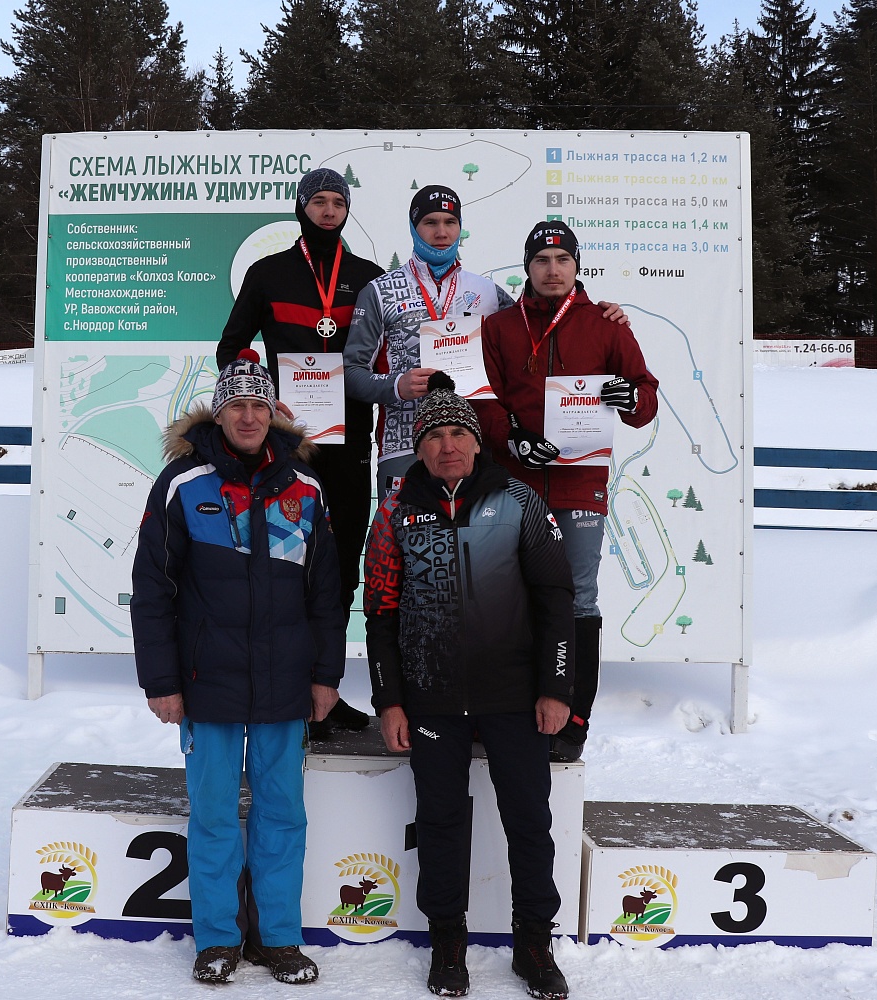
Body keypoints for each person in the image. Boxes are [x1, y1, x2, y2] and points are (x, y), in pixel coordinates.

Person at [130, 349, 346, 985]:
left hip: (286, 682)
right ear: (218, 414)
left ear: (272, 413)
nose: (248, 417)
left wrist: (326, 676)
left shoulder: (305, 488)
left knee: (282, 814)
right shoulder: (182, 484)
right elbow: (152, 590)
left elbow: (327, 595)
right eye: (236, 406)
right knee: (215, 814)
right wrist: (162, 682)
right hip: (207, 683)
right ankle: (218, 939)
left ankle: (278, 938)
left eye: (258, 405)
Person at [364, 373, 575, 1000]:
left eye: (459, 432)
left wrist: (556, 686)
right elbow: (380, 612)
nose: (448, 445)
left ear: (478, 442)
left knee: (529, 821)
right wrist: (389, 699)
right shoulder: (394, 510)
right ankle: (447, 942)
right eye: (434, 435)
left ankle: (533, 942)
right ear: (419, 447)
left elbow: (556, 599)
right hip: (430, 698)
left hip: (515, 695)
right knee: (440, 822)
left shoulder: (519, 501)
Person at [476, 221, 660, 763]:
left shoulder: (605, 324)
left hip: (581, 487)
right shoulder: (500, 326)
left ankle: (575, 719)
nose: (552, 270)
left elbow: (645, 398)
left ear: (577, 266)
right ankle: (509, 708)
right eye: (542, 260)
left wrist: (630, 397)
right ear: (527, 268)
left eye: (562, 259)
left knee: (578, 596)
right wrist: (512, 437)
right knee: (509, 596)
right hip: (515, 484)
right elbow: (485, 397)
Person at [218, 166, 382, 737]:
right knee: (289, 566)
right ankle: (289, 690)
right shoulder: (268, 273)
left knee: (340, 569)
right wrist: (266, 393)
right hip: (288, 445)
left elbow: (392, 351)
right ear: (301, 207)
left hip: (349, 441)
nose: (329, 211)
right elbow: (232, 348)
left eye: (338, 201)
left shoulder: (368, 277)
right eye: (319, 201)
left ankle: (325, 693)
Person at [345, 185, 631, 502]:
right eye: (430, 222)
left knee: (478, 535)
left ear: (460, 227)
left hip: (474, 448)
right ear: (413, 227)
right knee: (399, 533)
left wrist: (598, 312)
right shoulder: (381, 291)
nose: (441, 232)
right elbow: (351, 373)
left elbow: (540, 326)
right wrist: (396, 385)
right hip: (403, 444)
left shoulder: (487, 292)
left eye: (450, 222)